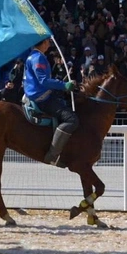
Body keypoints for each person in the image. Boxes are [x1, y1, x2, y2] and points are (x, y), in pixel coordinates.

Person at [23, 37, 78, 166]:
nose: (49, 43)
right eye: (48, 41)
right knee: (72, 119)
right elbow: (44, 81)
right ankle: (53, 155)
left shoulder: (32, 56)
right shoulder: (38, 58)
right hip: (42, 98)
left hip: (36, 94)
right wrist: (64, 85)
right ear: (43, 43)